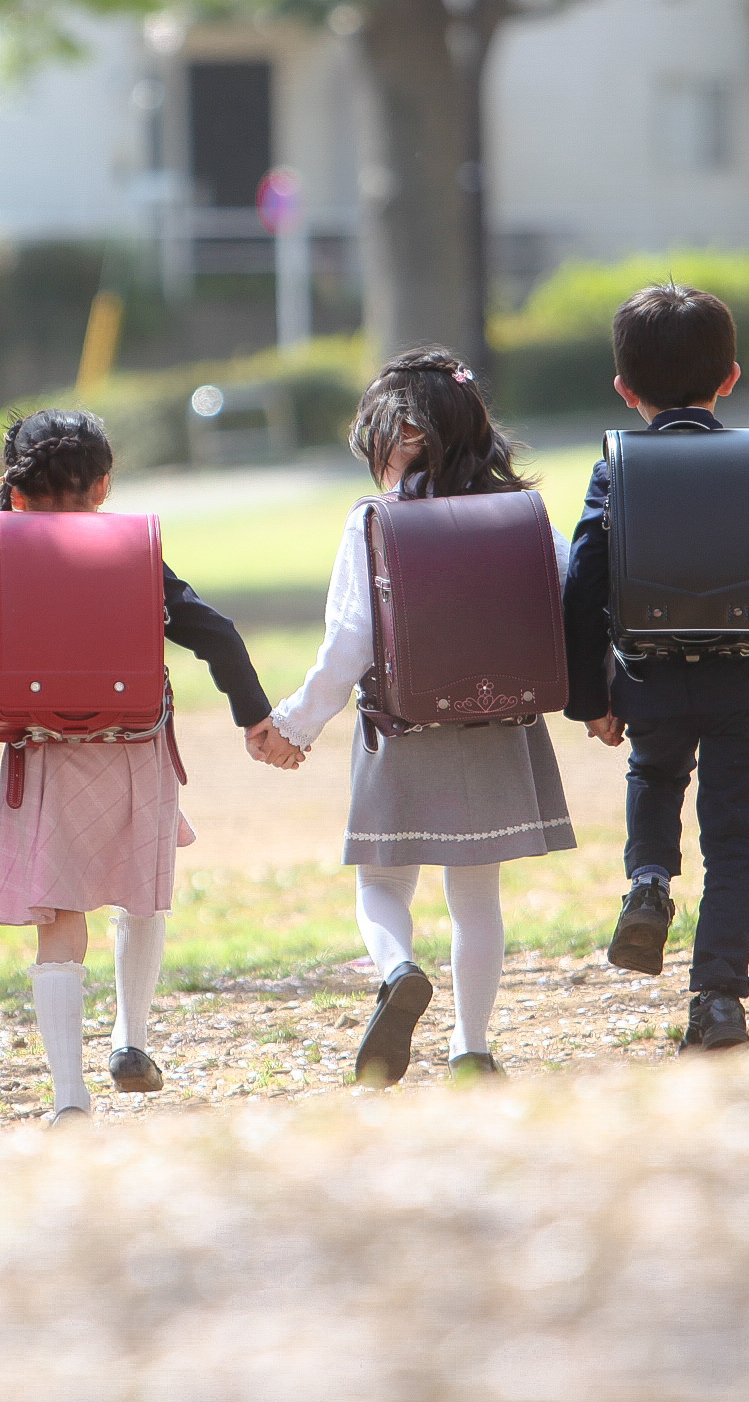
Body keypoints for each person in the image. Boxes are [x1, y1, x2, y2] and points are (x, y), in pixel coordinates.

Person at [254, 347, 574, 1087]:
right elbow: (569, 598)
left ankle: (398, 969)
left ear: (398, 435)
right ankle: (471, 1046)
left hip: (402, 732)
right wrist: (601, 701)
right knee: (477, 896)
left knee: (382, 884)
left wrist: (297, 724)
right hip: (502, 728)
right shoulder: (522, 515)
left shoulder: (373, 522)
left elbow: (351, 641)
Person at [0, 409, 284, 1126]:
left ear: (15, 490)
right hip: (136, 743)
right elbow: (215, 632)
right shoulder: (131, 547)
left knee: (60, 912)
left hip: (43, 749)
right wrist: (253, 715)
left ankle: (67, 1094)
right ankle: (131, 1038)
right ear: (104, 486)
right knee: (137, 891)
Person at [561, 284, 749, 1053]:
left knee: (656, 773)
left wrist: (589, 695)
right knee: (736, 846)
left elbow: (581, 585)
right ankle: (718, 1002)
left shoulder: (617, 467)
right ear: (729, 377)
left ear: (624, 389)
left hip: (648, 677)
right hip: (745, 683)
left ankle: (648, 882)